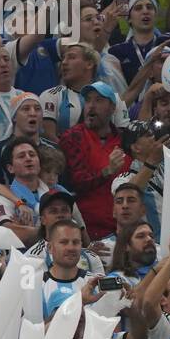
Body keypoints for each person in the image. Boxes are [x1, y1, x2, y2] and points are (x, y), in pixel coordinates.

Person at [60, 81, 127, 239]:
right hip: (88, 231)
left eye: (98, 100)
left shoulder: (125, 140)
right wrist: (107, 171)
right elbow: (75, 183)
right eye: (88, 100)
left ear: (112, 108)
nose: (91, 105)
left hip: (123, 230)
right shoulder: (72, 137)